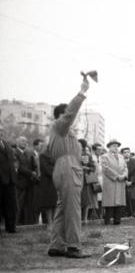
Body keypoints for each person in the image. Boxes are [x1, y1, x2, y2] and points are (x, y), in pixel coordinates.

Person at [47, 78, 92, 258]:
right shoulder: (60, 126)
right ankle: (73, 247)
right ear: (62, 115)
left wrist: (81, 159)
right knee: (73, 209)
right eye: (68, 114)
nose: (72, 118)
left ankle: (57, 245)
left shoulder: (65, 133)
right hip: (67, 169)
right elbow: (70, 113)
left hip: (66, 168)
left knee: (62, 209)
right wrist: (81, 93)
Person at [101, 139, 128, 225]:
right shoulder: (105, 156)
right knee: (109, 202)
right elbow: (106, 168)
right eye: (113, 146)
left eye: (117, 146)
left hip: (120, 182)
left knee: (119, 203)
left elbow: (125, 167)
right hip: (110, 181)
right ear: (109, 147)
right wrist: (116, 176)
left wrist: (124, 175)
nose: (116, 148)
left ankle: (117, 220)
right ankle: (107, 220)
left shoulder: (121, 157)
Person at [15, 135, 39, 225]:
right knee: (19, 204)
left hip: (29, 183)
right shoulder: (15, 153)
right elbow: (19, 167)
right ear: (17, 142)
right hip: (20, 183)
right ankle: (16, 223)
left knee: (27, 205)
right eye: (22, 141)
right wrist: (31, 173)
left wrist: (35, 172)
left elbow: (32, 165)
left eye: (25, 141)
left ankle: (26, 223)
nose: (25, 143)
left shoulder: (27, 154)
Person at [0, 124, 17, 234]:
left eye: (2, 131)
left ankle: (10, 227)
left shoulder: (7, 144)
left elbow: (13, 160)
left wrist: (14, 171)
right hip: (0, 179)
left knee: (11, 204)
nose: (1, 133)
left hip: (10, 180)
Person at [36, 145, 57, 231]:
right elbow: (46, 169)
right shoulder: (43, 155)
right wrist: (58, 170)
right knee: (48, 204)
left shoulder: (58, 155)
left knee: (56, 203)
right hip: (47, 182)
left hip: (57, 182)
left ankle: (55, 222)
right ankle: (49, 222)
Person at [79, 140, 99, 223]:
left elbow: (93, 167)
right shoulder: (72, 154)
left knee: (86, 200)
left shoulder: (87, 155)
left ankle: (85, 218)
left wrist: (86, 168)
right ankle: (78, 218)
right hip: (75, 179)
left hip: (85, 180)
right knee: (77, 200)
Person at [122, 147, 135, 217]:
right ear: (122, 154)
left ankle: (133, 213)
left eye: (128, 152)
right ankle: (125, 214)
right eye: (125, 152)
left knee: (133, 198)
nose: (126, 153)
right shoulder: (120, 161)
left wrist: (131, 181)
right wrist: (125, 181)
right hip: (122, 182)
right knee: (124, 199)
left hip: (133, 183)